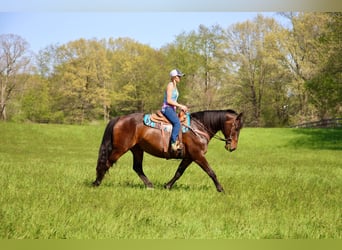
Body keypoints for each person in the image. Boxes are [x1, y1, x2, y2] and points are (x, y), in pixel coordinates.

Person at [161, 69, 188, 151]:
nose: (180, 78)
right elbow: (169, 100)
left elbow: (174, 100)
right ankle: (173, 143)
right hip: (167, 108)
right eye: (178, 76)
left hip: (172, 109)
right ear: (174, 77)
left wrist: (182, 107)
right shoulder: (170, 85)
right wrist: (180, 105)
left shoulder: (175, 86)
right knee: (177, 123)